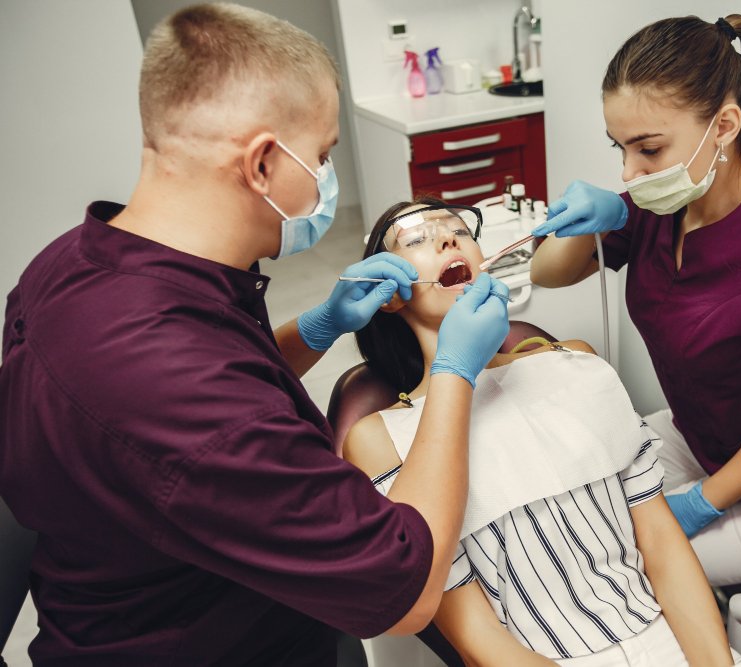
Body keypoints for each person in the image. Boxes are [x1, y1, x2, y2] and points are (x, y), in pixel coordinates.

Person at [0, 5, 509, 665]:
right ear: (264, 163)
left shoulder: (70, 263)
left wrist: (319, 326)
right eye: (322, 155)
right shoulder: (169, 381)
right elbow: (403, 589)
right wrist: (454, 373)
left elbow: (224, 388)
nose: (326, 175)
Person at [529, 15, 741, 587]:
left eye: (648, 148)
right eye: (620, 148)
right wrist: (593, 218)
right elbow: (546, 274)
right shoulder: (662, 205)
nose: (629, 172)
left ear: (724, 126)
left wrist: (699, 504)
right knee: (566, 511)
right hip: (699, 438)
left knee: (614, 572)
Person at [343, 197, 737, 667]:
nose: (448, 238)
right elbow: (476, 636)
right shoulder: (382, 439)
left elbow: (661, 544)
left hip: (666, 634)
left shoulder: (576, 365)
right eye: (416, 239)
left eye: (458, 230)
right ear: (389, 294)